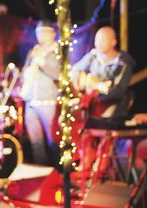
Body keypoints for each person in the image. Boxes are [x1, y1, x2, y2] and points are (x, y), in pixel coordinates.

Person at [71, 26, 135, 176]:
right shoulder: (93, 57)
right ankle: (85, 162)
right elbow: (75, 71)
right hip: (92, 107)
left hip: (113, 109)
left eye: (103, 39)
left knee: (102, 124)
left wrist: (99, 92)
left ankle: (100, 167)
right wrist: (84, 85)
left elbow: (118, 91)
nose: (98, 43)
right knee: (76, 122)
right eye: (97, 39)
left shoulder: (123, 63)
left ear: (113, 42)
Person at [20, 20, 60, 166]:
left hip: (47, 101)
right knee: (36, 142)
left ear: (53, 34)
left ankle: (59, 173)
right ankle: (42, 173)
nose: (40, 36)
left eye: (44, 32)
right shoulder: (33, 51)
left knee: (53, 141)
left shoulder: (58, 52)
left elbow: (58, 73)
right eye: (38, 33)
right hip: (31, 100)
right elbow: (25, 71)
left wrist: (42, 62)